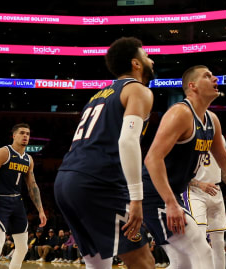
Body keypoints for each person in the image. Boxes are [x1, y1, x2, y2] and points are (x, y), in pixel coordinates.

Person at [143, 65, 226, 268]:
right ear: (193, 86)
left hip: (169, 196)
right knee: (201, 254)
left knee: (184, 261)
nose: (215, 78)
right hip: (155, 195)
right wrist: (171, 203)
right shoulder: (180, 113)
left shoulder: (212, 120)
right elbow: (152, 159)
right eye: (208, 76)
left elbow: (225, 161)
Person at [55, 37, 156, 269]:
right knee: (144, 262)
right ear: (136, 64)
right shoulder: (137, 90)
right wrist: (137, 198)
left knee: (98, 262)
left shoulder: (97, 96)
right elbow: (128, 141)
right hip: (98, 182)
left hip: (66, 181)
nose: (152, 60)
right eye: (147, 56)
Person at [0, 123, 47, 269]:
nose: (25, 136)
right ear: (14, 135)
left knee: (23, 248)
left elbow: (32, 186)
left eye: (28, 134)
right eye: (22, 133)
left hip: (17, 202)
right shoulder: (3, 152)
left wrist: (41, 210)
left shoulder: (28, 159)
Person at [186, 147, 226, 269]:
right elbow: (181, 171)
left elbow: (223, 168)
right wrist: (199, 184)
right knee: (199, 239)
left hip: (216, 191)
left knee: (219, 242)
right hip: (196, 191)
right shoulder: (190, 133)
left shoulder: (220, 138)